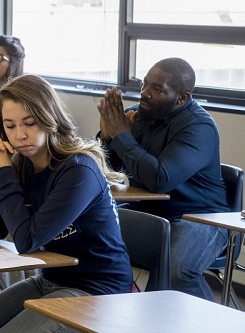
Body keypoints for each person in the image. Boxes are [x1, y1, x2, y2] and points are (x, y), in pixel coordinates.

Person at [0, 74, 133, 332]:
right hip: (49, 280)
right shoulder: (22, 164)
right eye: (10, 126)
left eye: (30, 123)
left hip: (97, 291)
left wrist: (2, 172)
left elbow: (26, 241)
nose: (20, 135)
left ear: (50, 119)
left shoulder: (79, 171)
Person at [97, 57, 229, 301]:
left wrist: (121, 136)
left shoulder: (199, 127)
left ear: (182, 98)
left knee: (176, 269)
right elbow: (109, 169)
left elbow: (160, 179)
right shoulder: (137, 115)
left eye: (157, 90)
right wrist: (107, 138)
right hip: (152, 212)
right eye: (144, 84)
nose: (145, 93)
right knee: (88, 237)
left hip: (200, 217)